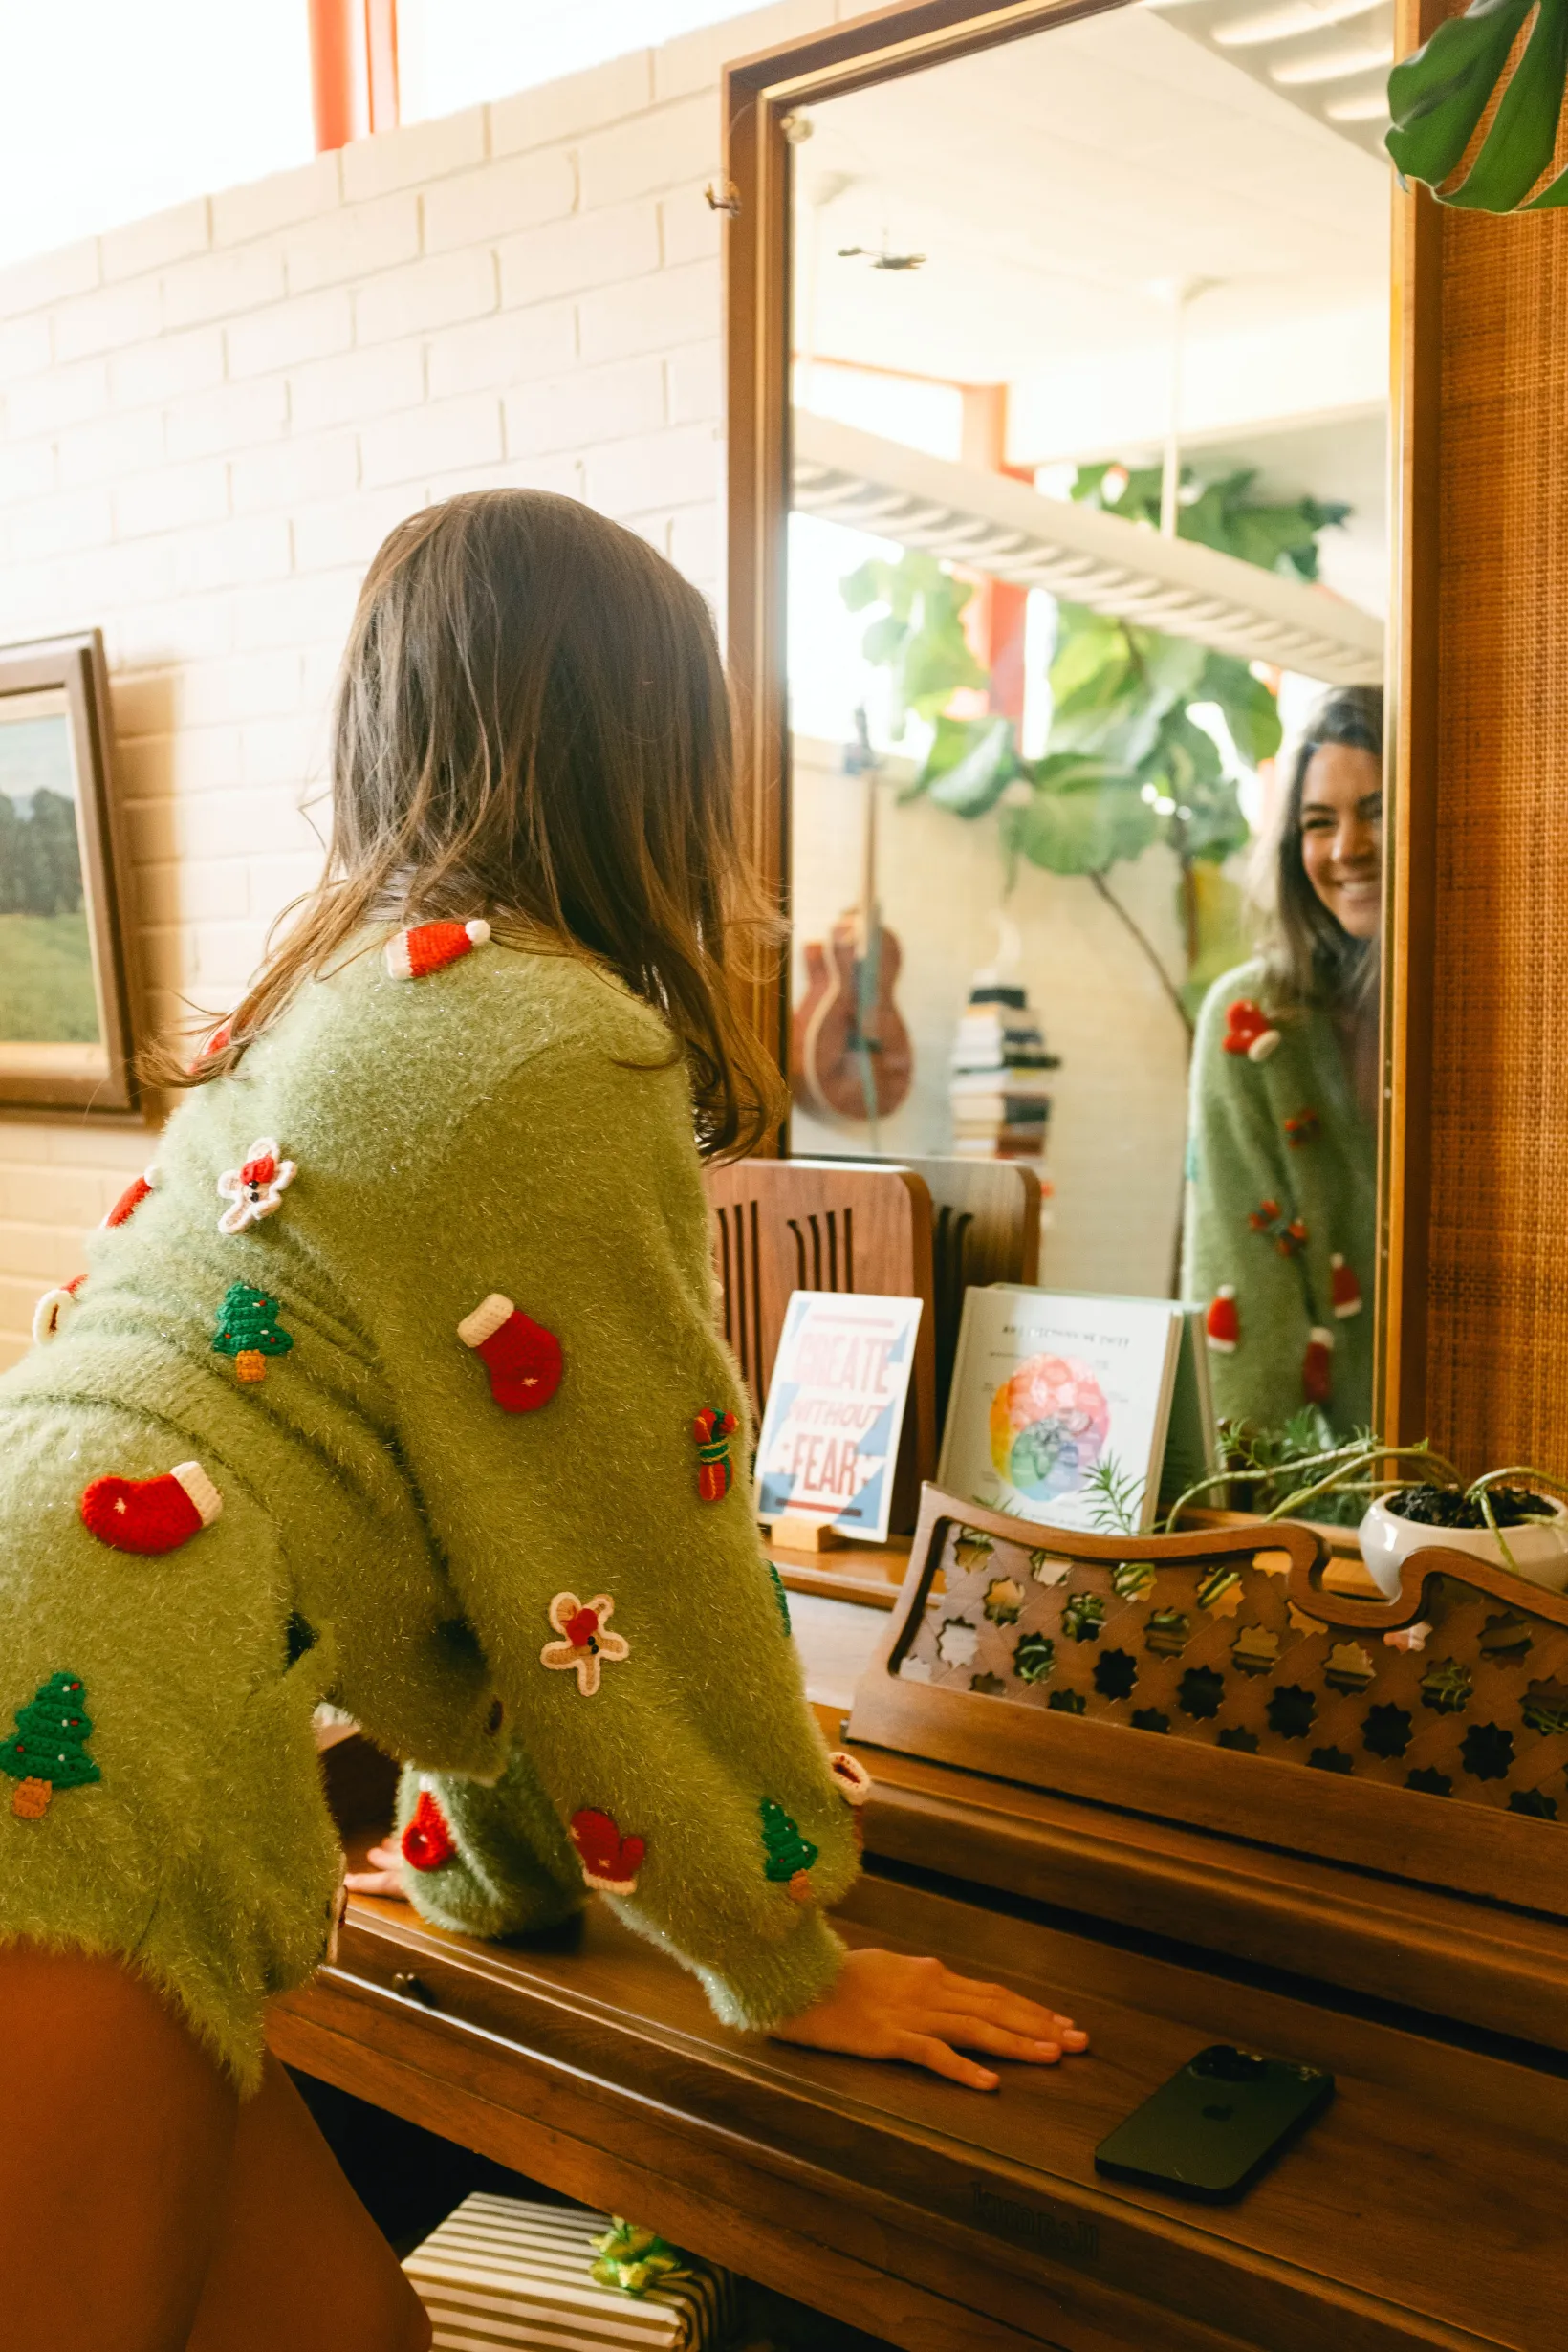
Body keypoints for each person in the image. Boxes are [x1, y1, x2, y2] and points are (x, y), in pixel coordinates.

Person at [0, 491, 1087, 2352]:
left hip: (75, 1650)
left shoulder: (338, 1002)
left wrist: (481, 1870)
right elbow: (624, 1540)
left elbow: (472, 1513)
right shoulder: (553, 1042)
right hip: (108, 1720)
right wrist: (776, 1948)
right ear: (643, 757)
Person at [1183, 683, 1382, 1437]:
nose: (1346, 849)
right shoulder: (1251, 1025)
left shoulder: (1510, 1021)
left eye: (1375, 810)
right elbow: (1248, 1307)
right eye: (1318, 822)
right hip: (1313, 1510)